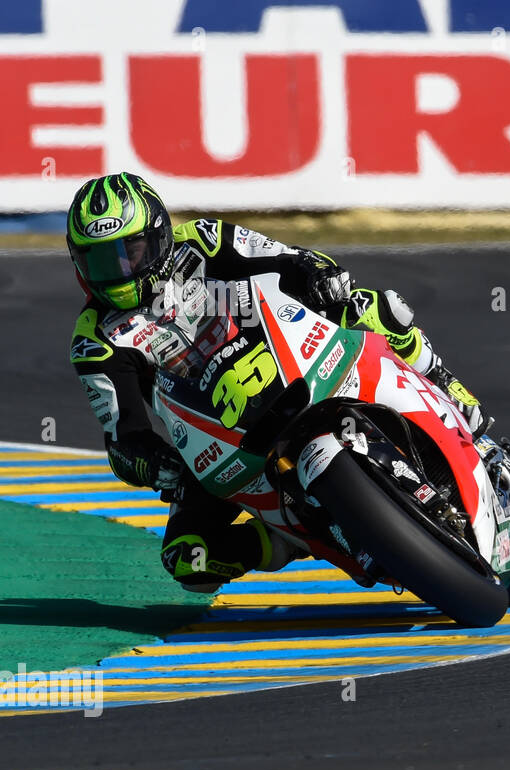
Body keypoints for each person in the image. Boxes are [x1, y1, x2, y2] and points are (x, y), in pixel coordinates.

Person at [67, 172, 485, 591]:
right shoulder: (95, 339)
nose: (119, 272)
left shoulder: (202, 240)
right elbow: (124, 437)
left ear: (157, 236)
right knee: (190, 559)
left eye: (130, 253)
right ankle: (296, 537)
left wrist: (320, 276)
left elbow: (287, 259)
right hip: (214, 435)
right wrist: (157, 465)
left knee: (375, 307)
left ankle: (446, 385)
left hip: (284, 353)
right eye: (100, 261)